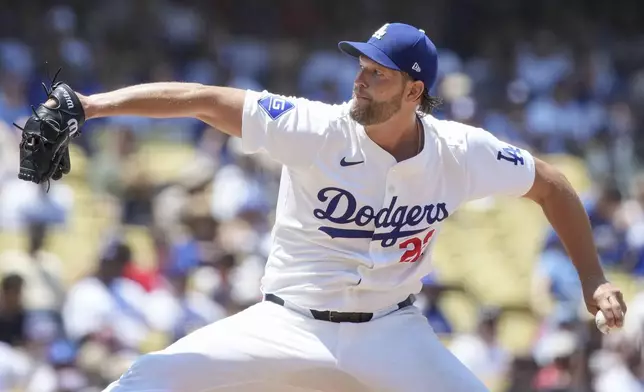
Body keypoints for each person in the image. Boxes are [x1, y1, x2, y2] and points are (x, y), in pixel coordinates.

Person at [33, 22, 626, 392]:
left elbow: (551, 184)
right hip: (286, 323)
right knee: (144, 382)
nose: (360, 81)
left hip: (391, 333)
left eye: (378, 73)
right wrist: (89, 106)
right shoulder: (315, 127)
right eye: (361, 68)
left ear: (415, 91)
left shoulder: (460, 152)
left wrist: (593, 278)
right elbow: (203, 101)